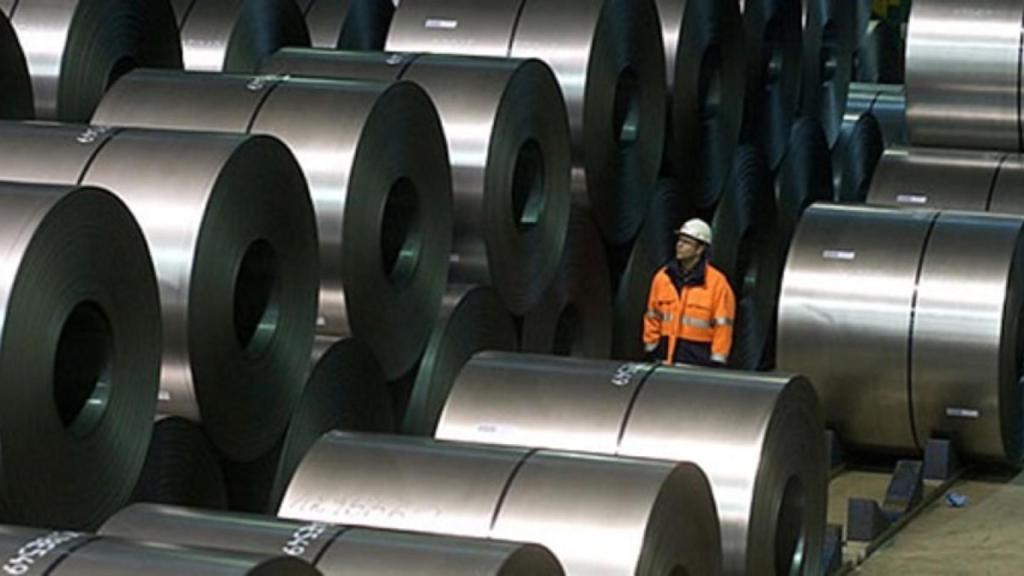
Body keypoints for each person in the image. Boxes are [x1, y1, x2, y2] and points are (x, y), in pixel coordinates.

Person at [643, 218, 736, 367]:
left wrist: (717, 361)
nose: (679, 245)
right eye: (679, 240)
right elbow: (652, 316)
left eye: (686, 242)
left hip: (697, 363)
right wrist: (651, 348)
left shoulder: (717, 283)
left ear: (700, 249)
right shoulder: (663, 277)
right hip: (664, 361)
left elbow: (723, 327)